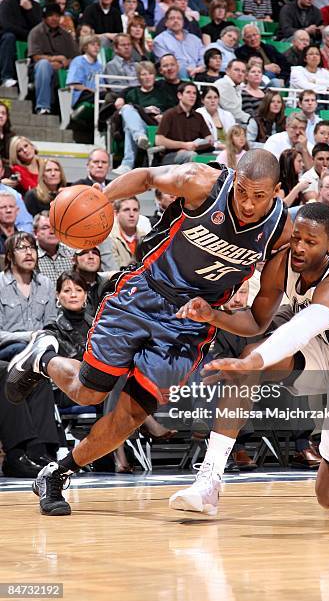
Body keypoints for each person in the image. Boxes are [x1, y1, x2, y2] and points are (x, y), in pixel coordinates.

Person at [6, 149, 291, 515]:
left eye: (260, 196)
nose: (248, 204)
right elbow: (144, 177)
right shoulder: (199, 181)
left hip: (189, 325)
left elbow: (258, 321)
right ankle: (43, 359)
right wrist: (99, 199)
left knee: (132, 415)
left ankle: (58, 472)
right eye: (242, 192)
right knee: (90, 393)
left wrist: (213, 315)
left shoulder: (279, 233)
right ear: (233, 178)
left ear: (277, 191)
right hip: (143, 294)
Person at [169, 202, 329, 515]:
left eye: (311, 242)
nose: (299, 248)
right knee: (250, 358)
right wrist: (213, 315)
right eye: (296, 238)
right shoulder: (283, 263)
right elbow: (256, 321)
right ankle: (209, 482)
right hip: (325, 353)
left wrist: (255, 361)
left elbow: (303, 326)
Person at [0, 232, 60, 478]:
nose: (29, 253)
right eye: (22, 248)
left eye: (32, 248)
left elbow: (51, 325)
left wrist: (39, 341)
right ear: (10, 255)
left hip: (33, 352)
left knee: (39, 375)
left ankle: (39, 451)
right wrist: (27, 337)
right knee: (9, 371)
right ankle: (16, 454)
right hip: (4, 352)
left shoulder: (45, 284)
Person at [28, 3, 78, 115]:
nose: (54, 18)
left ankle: (71, 111)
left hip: (62, 69)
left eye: (57, 16)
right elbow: (35, 56)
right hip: (38, 69)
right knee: (44, 64)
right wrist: (54, 59)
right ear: (45, 17)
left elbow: (76, 58)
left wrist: (63, 64)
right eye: (50, 15)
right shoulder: (36, 32)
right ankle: (43, 106)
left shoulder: (66, 35)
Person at [155, 82, 213, 164]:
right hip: (171, 155)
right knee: (190, 155)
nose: (192, 96)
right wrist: (184, 145)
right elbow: (159, 140)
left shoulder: (198, 116)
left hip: (195, 151)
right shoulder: (170, 114)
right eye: (188, 92)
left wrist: (196, 146)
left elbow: (209, 138)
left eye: (194, 93)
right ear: (180, 95)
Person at [0, 0, 42, 88]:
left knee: (41, 42)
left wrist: (29, 11)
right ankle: (6, 77)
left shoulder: (35, 6)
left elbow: (39, 29)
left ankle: (32, 79)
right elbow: (6, 26)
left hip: (28, 39)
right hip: (10, 38)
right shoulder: (7, 3)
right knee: (9, 37)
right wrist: (28, 34)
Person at [152, 7, 204, 80]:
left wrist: (199, 68)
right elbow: (167, 64)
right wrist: (187, 70)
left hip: (199, 74)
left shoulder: (195, 39)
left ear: (183, 22)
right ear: (166, 22)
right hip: (176, 79)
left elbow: (203, 58)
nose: (176, 21)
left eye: (179, 18)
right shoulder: (159, 41)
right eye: (172, 18)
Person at [110, 196, 151, 268]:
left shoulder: (147, 238)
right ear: (116, 214)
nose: (132, 214)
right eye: (126, 210)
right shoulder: (109, 239)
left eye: (135, 210)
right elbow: (112, 271)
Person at [66, 35, 102, 113]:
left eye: (98, 45)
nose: (96, 47)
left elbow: (102, 86)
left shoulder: (99, 66)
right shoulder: (78, 61)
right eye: (93, 44)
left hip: (95, 96)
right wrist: (93, 91)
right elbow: (73, 84)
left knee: (108, 96)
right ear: (85, 47)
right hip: (80, 96)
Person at [196, 85, 235, 151]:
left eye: (215, 97)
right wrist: (217, 145)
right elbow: (199, 139)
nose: (213, 100)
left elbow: (234, 135)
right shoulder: (198, 114)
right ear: (202, 100)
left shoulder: (228, 115)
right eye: (209, 97)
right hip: (208, 150)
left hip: (229, 150)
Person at [214, 59, 250, 126]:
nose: (240, 74)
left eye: (243, 71)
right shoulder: (223, 84)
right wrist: (252, 119)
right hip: (221, 125)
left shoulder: (237, 86)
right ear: (227, 71)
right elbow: (233, 111)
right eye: (236, 70)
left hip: (231, 123)